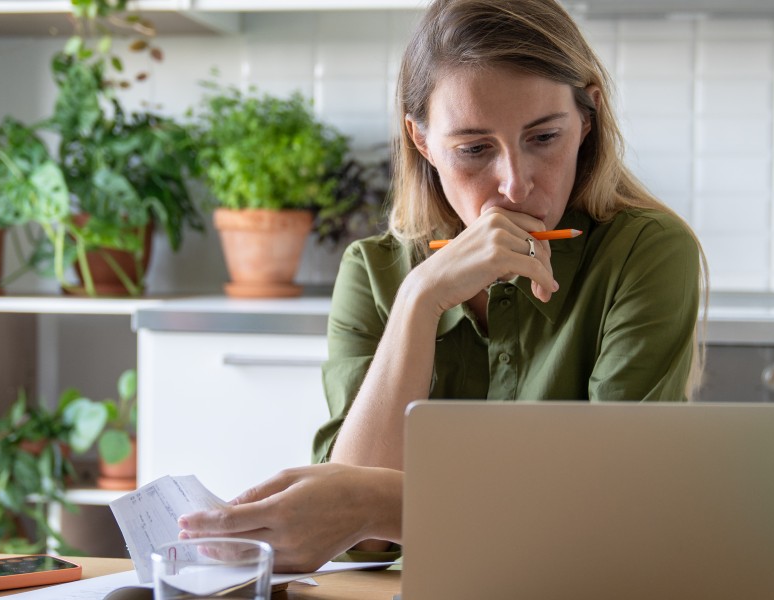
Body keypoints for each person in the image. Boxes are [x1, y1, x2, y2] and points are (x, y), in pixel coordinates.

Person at [177, 0, 707, 573]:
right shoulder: (374, 271)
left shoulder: (646, 251)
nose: (514, 184)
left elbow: (617, 509)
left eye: (544, 137)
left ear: (588, 118)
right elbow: (360, 544)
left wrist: (374, 504)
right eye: (475, 149)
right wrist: (419, 299)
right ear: (423, 142)